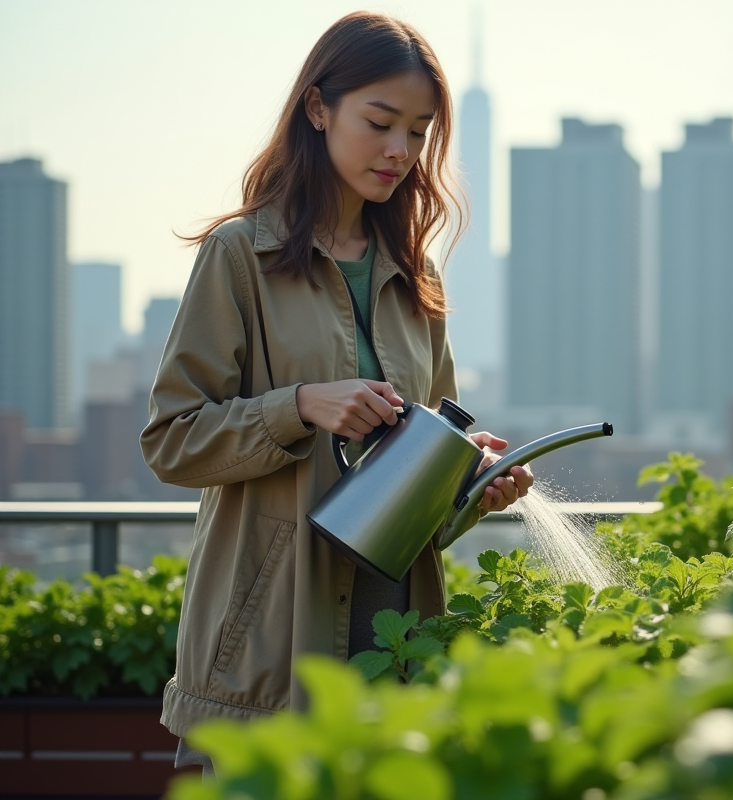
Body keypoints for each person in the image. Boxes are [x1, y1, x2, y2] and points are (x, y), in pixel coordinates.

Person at [139, 12, 532, 777]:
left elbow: (417, 480)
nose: (400, 151)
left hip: (394, 645)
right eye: (381, 122)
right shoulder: (240, 255)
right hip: (267, 647)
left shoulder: (417, 276)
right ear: (318, 109)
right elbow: (170, 441)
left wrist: (472, 480)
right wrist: (299, 405)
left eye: (418, 133)